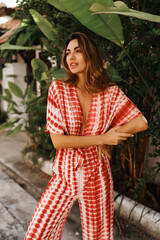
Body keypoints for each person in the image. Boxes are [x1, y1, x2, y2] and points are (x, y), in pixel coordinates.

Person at [24, 32, 148, 240]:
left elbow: (140, 122)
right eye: (68, 53)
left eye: (78, 51)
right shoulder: (59, 89)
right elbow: (58, 141)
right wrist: (102, 139)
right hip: (64, 174)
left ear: (90, 55)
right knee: (39, 231)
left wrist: (112, 136)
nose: (71, 57)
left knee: (98, 236)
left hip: (98, 174)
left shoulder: (109, 92)